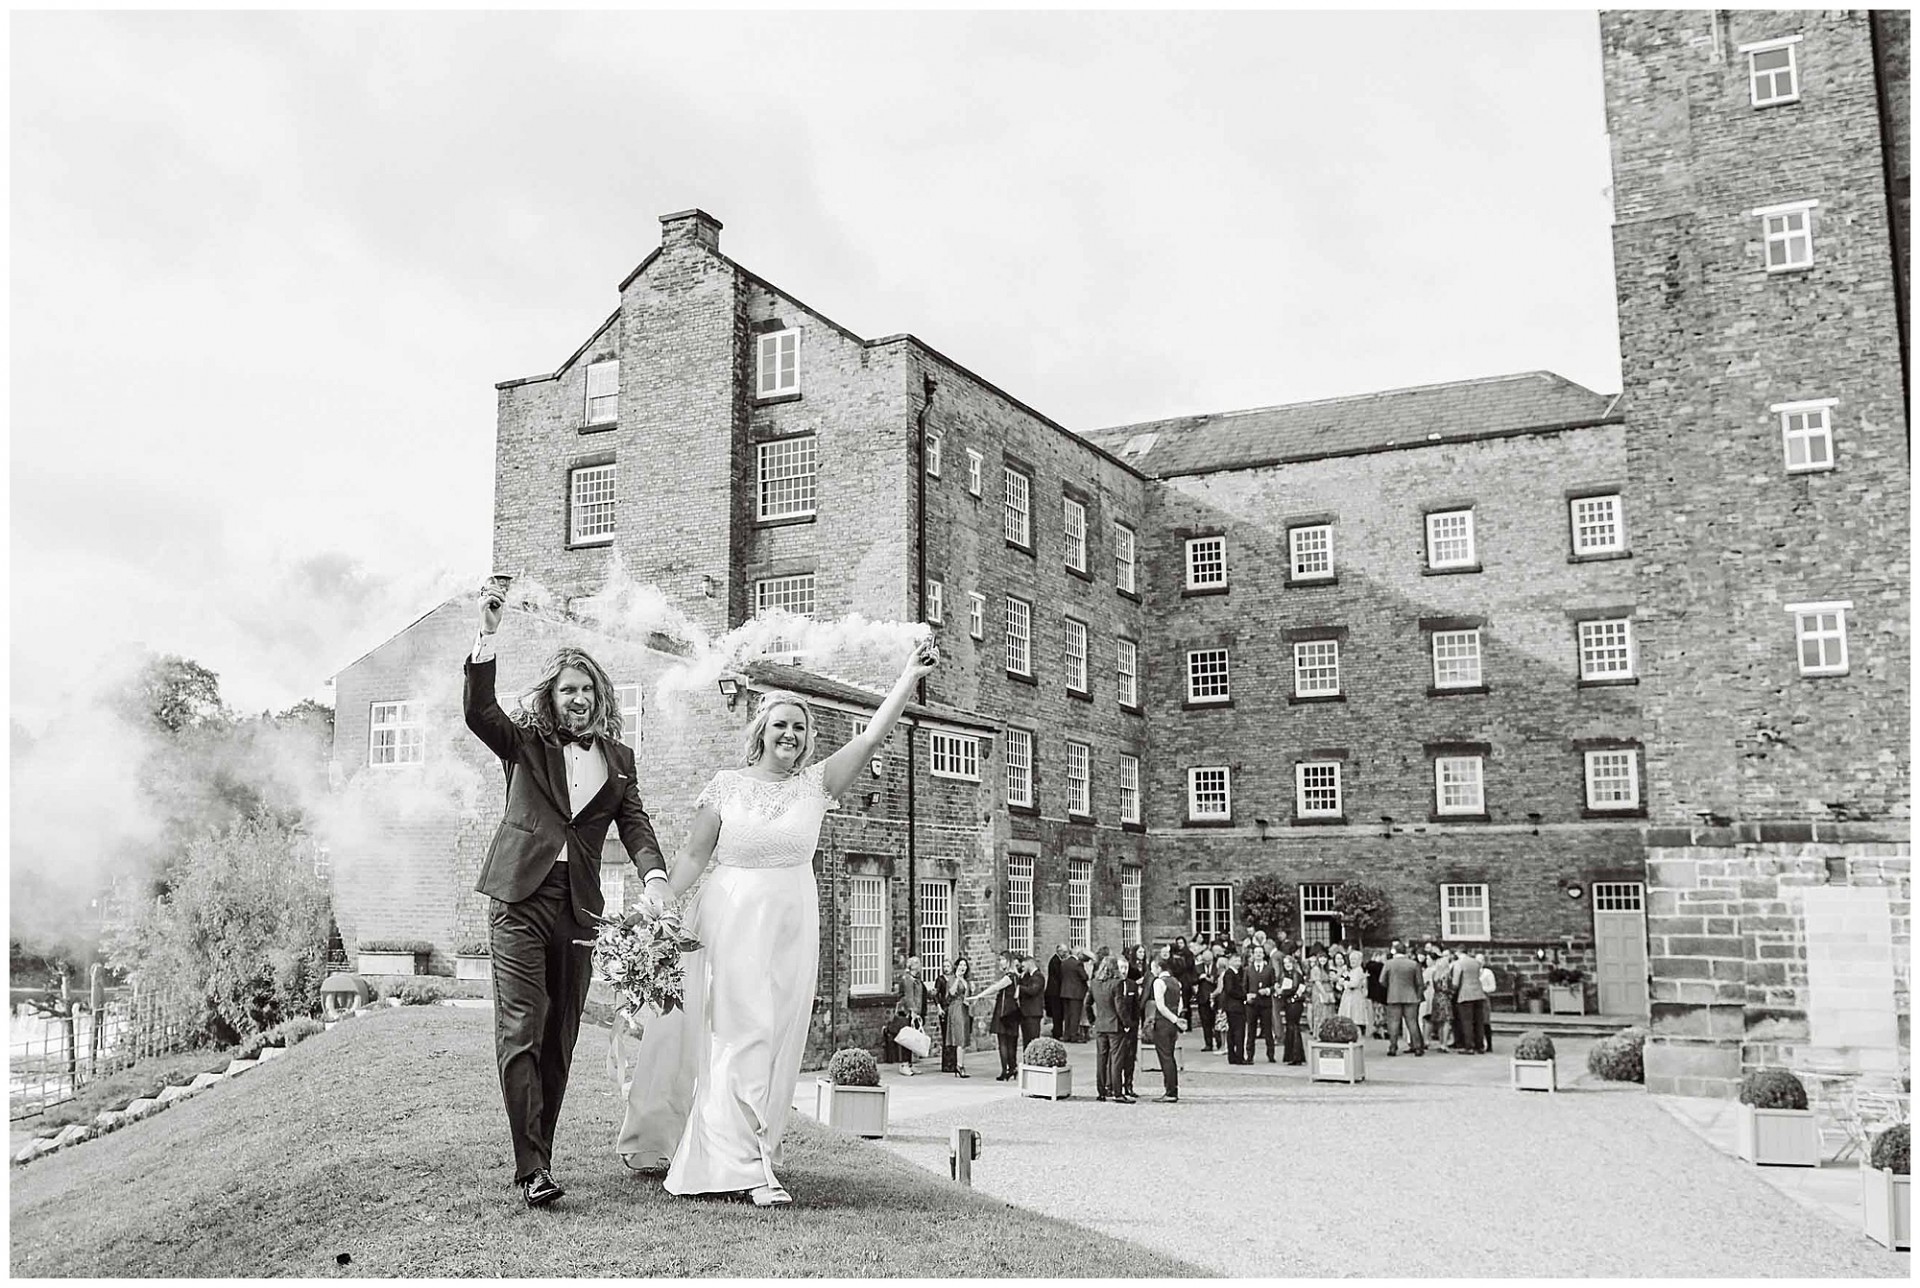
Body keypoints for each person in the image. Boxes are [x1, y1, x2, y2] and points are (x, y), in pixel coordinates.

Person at [616, 640, 939, 1208]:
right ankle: (740, 1167)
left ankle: (757, 1150)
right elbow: (693, 856)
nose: (790, 734)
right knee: (742, 1035)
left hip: (792, 922)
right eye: (780, 725)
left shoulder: (817, 785)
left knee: (778, 1040)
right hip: (732, 916)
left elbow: (871, 737)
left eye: (800, 727)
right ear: (761, 730)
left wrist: (908, 676)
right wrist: (658, 898)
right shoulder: (725, 785)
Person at [463, 586, 667, 1210]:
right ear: (552, 696)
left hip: (579, 907)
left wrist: (655, 877)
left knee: (561, 1036)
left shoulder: (621, 760)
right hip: (518, 898)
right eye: (566, 689)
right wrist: (488, 635)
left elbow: (633, 823)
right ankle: (532, 1170)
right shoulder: (525, 744)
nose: (576, 699)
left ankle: (540, 1155)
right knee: (523, 1026)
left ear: (599, 697)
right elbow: (480, 713)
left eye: (586, 689)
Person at [1088, 954, 1134, 1103]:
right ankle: (1117, 1092)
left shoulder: (1094, 983)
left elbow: (1086, 1004)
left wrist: (1092, 1021)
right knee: (1116, 1060)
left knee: (1101, 1059)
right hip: (1114, 1026)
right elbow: (1120, 1007)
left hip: (1100, 1025)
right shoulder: (1117, 983)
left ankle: (1101, 1092)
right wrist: (1127, 1024)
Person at [1146, 958, 1187, 1102]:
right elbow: (1180, 1003)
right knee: (1170, 1055)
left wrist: (1173, 1019)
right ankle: (1173, 1089)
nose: (1152, 971)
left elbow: (1160, 1006)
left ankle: (1170, 1091)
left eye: (1153, 968)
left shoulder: (1159, 982)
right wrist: (1176, 1018)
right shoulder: (1176, 982)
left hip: (1163, 1022)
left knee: (1165, 1057)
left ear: (1158, 968)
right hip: (1173, 1023)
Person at [1380, 941, 1426, 1057]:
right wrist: (1418, 995)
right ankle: (1418, 1047)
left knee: (1394, 1022)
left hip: (1394, 996)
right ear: (1405, 951)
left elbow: (1381, 980)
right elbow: (1420, 983)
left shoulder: (1389, 963)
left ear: (1394, 951)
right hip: (1410, 996)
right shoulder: (1413, 964)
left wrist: (1390, 986)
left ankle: (1393, 1047)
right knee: (1412, 1022)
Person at [937, 956, 974, 1077]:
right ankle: (959, 1065)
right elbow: (951, 994)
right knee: (960, 1037)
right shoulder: (952, 979)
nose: (963, 967)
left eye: (965, 965)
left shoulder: (966, 981)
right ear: (956, 967)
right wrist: (957, 979)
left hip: (964, 1008)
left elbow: (968, 997)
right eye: (961, 965)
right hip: (956, 1008)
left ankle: (960, 1064)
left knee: (963, 1037)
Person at [890, 957, 927, 1075]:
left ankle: (910, 1063)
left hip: (916, 1013)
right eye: (915, 963)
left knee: (912, 1039)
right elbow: (908, 997)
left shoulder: (917, 979)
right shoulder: (908, 979)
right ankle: (904, 1064)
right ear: (910, 965)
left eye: (918, 962)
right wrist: (913, 1011)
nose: (918, 965)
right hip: (907, 1013)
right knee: (905, 1038)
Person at [1451, 947, 1491, 1055]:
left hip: (1465, 994)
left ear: (1458, 953)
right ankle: (1480, 1046)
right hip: (1478, 993)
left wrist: (1452, 992)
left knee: (1467, 1021)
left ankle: (1469, 1046)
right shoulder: (1476, 962)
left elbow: (1455, 982)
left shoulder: (1459, 963)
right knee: (1478, 1021)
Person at [1245, 946, 1277, 1063]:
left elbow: (1275, 985)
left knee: (1268, 1030)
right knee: (1251, 1030)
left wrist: (1268, 990)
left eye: (1260, 952)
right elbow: (1244, 986)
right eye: (1256, 952)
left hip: (1265, 1004)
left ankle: (1271, 1054)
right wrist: (1247, 996)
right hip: (1252, 1004)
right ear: (1253, 954)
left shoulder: (1269, 969)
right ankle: (1249, 1055)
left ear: (1264, 954)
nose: (1258, 954)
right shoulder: (1248, 969)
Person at [1218, 951, 1248, 1064]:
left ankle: (1234, 1056)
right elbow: (1230, 990)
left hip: (1234, 1006)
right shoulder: (1230, 973)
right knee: (1238, 1032)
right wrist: (1244, 996)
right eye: (1235, 960)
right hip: (1234, 1007)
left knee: (1233, 1032)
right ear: (1230, 961)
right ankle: (1238, 1057)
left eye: (1239, 960)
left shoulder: (1235, 973)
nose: (1238, 963)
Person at [1277, 951, 1307, 1065]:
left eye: (1289, 962)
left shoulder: (1296, 974)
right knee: (1291, 1028)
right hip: (1289, 1003)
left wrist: (1282, 991)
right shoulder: (1286, 975)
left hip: (1295, 1004)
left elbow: (1295, 988)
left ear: (1293, 963)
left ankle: (1296, 1056)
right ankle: (1292, 1055)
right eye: (1285, 963)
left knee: (1293, 1027)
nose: (1287, 964)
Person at [1056, 947, 1090, 1042]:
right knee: (1075, 1015)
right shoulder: (1078, 963)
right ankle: (1074, 1035)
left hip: (1065, 991)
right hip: (1076, 992)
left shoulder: (1064, 963)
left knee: (1067, 1015)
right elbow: (1084, 977)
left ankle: (1066, 1034)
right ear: (1078, 954)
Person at [1191, 948, 1219, 1053]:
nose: (1207, 962)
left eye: (1209, 960)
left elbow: (1219, 980)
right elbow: (1192, 981)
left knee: (1215, 1021)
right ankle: (1208, 1043)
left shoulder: (1217, 967)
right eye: (1205, 960)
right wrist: (1199, 978)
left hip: (1214, 996)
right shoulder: (1197, 967)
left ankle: (1219, 1041)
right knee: (1205, 1021)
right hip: (1202, 998)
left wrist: (1210, 978)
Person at [1309, 947, 1336, 1035]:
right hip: (1319, 992)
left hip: (1328, 990)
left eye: (1324, 958)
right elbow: (1317, 982)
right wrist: (1324, 993)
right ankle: (1318, 1033)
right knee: (1319, 1012)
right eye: (1321, 957)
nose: (1323, 959)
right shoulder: (1315, 969)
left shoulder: (1327, 969)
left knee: (1328, 1012)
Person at [1043, 945, 1066, 1038]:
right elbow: (1059, 975)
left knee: (1057, 1013)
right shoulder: (1055, 961)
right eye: (1064, 952)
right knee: (1057, 1013)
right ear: (1059, 951)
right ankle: (1057, 1032)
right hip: (1055, 992)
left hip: (1054, 991)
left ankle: (1057, 1031)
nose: (1065, 954)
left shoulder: (1056, 960)